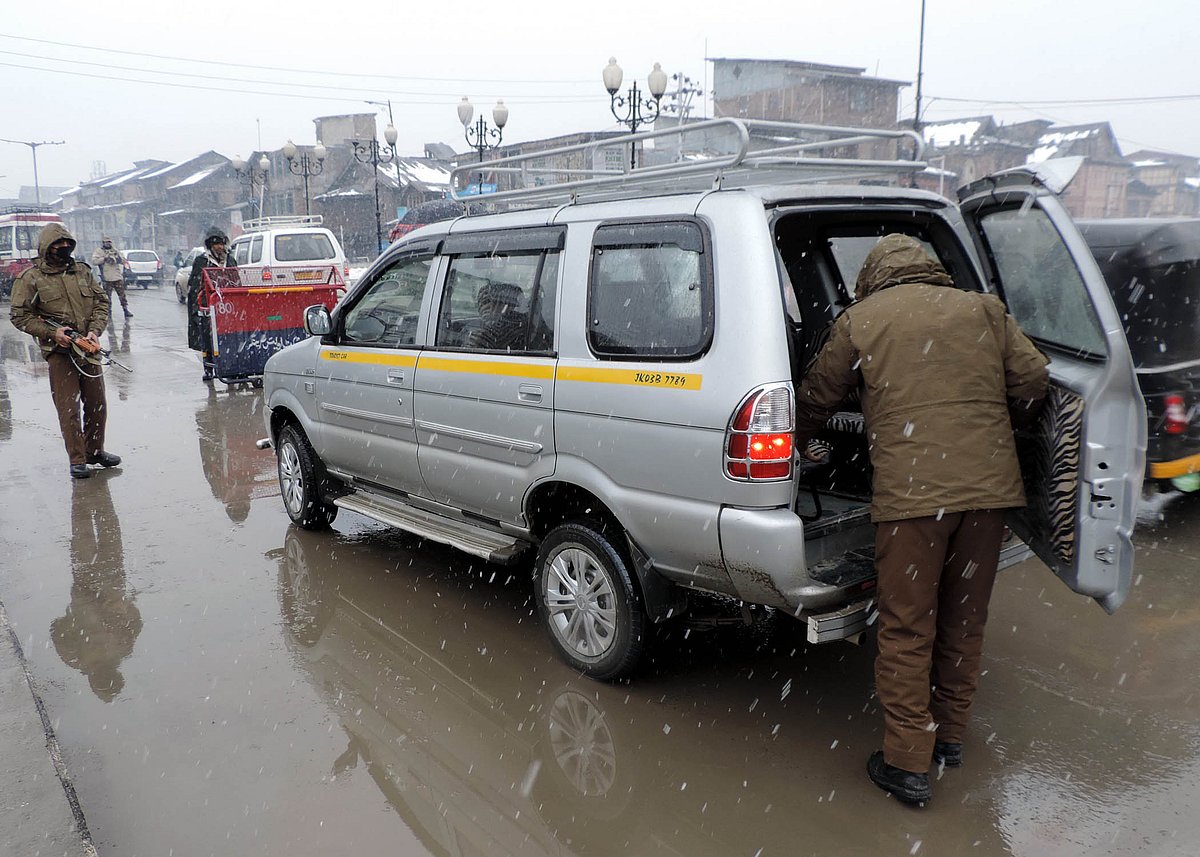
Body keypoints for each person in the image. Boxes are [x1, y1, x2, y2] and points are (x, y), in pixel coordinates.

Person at [792, 234, 1049, 806]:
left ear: (872, 277)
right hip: (989, 496)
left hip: (913, 502)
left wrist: (796, 451)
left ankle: (907, 763)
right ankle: (951, 740)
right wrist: (999, 422)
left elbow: (816, 396)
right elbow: (1034, 381)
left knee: (908, 628)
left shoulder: (863, 320)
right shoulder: (983, 308)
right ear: (931, 270)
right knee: (965, 619)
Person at [10, 223, 123, 479]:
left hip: (87, 349)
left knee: (97, 404)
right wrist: (53, 333)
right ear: (46, 247)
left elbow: (101, 302)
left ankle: (95, 451)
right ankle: (77, 459)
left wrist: (95, 330)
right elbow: (19, 316)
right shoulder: (31, 278)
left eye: (66, 244)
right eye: (57, 245)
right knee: (68, 408)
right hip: (59, 354)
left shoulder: (82, 271)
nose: (63, 248)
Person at [187, 226, 237, 382]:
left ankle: (232, 367)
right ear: (210, 245)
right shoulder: (202, 261)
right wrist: (196, 309)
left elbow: (236, 282)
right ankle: (208, 369)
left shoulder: (230, 260)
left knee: (230, 338)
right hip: (207, 306)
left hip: (228, 307)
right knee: (207, 339)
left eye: (221, 243)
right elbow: (195, 287)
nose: (219, 247)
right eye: (215, 244)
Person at [90, 235, 132, 318]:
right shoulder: (99, 251)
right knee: (107, 297)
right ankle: (108, 311)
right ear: (103, 243)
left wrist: (117, 258)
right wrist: (104, 259)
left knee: (122, 295)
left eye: (109, 242)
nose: (108, 244)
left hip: (117, 276)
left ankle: (125, 309)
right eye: (106, 242)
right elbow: (94, 261)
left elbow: (123, 261)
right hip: (106, 277)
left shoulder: (115, 250)